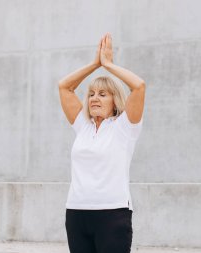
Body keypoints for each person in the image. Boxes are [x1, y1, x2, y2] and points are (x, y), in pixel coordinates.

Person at [58, 33, 145, 253]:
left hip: (112, 214)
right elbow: (64, 86)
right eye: (92, 94)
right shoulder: (83, 126)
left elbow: (139, 86)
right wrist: (95, 64)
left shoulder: (124, 127)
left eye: (103, 94)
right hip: (76, 213)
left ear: (115, 100)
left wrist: (109, 65)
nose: (94, 98)